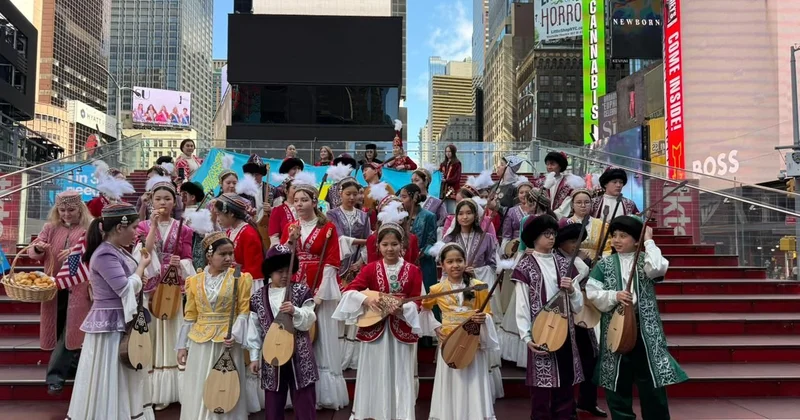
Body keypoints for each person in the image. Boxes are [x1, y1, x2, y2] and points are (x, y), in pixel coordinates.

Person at [586, 216, 687, 419]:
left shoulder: (645, 260)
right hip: (615, 329)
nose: (616, 240)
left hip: (645, 329)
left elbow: (658, 268)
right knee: (617, 381)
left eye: (623, 236)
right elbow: (591, 292)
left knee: (651, 380)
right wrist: (614, 295)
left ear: (635, 240)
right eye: (614, 236)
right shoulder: (604, 264)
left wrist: (649, 241)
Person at [65, 202, 154, 420]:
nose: (136, 233)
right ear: (120, 228)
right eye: (134, 227)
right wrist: (141, 268)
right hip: (110, 324)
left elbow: (127, 283)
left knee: (121, 372)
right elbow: (123, 288)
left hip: (118, 320)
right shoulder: (105, 254)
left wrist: (138, 276)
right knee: (111, 372)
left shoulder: (114, 251)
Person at [332, 209, 422, 420]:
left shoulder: (413, 271)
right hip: (375, 330)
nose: (390, 248)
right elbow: (349, 291)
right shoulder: (370, 269)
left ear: (402, 246)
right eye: (385, 244)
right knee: (375, 373)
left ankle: (399, 415)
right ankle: (371, 414)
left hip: (400, 330)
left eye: (394, 244)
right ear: (378, 246)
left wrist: (403, 309)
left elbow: (417, 301)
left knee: (399, 374)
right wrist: (367, 299)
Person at [280, 171, 349, 410]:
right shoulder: (291, 227)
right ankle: (298, 390)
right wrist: (290, 241)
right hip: (295, 283)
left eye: (304, 200)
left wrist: (319, 295)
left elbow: (332, 261)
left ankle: (322, 394)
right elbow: (281, 256)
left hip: (320, 283)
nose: (299, 204)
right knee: (297, 336)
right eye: (296, 200)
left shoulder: (328, 228)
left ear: (314, 201)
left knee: (319, 337)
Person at [512, 214, 588, 420]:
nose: (551, 238)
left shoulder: (565, 264)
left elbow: (578, 305)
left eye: (553, 233)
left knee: (565, 386)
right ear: (534, 238)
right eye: (546, 234)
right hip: (540, 333)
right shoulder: (524, 267)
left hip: (565, 332)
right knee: (541, 392)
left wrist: (572, 290)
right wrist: (526, 337)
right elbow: (522, 306)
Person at [176, 232, 252, 420]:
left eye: (231, 254)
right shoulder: (194, 281)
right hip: (200, 340)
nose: (228, 258)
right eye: (223, 254)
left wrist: (235, 334)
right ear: (209, 255)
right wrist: (181, 345)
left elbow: (244, 311)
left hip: (226, 340)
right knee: (200, 381)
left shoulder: (240, 278)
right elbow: (190, 314)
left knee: (225, 385)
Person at [421, 242, 498, 420]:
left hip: (472, 342)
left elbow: (488, 313)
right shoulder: (436, 289)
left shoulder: (479, 286)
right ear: (442, 264)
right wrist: (435, 327)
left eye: (459, 260)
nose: (455, 265)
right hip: (449, 342)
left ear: (465, 262)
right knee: (451, 381)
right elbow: (424, 310)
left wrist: (483, 319)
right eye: (450, 261)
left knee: (473, 380)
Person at [138, 175, 195, 411]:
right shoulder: (141, 226)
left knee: (173, 335)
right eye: (158, 198)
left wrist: (178, 263)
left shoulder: (185, 229)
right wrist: (152, 226)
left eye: (167, 198)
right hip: (151, 289)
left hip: (173, 288)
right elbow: (144, 253)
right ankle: (156, 392)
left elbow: (188, 258)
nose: (162, 202)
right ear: (151, 201)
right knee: (153, 337)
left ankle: (180, 390)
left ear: (175, 202)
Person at [440, 198, 504, 399]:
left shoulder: (486, 237)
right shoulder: (449, 238)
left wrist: (475, 272)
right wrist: (458, 272)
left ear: (475, 215)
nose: (465, 216)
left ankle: (481, 391)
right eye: (461, 213)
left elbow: (494, 263)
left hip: (479, 287)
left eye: (468, 213)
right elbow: (443, 268)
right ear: (456, 217)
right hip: (455, 292)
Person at [29, 191, 91, 395]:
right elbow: (33, 251)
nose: (66, 214)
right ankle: (72, 367)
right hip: (53, 287)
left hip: (77, 287)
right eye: (62, 210)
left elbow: (92, 253)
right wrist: (38, 248)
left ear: (80, 209)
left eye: (71, 210)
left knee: (70, 332)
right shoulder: (50, 228)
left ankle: (55, 377)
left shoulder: (88, 228)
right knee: (57, 329)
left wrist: (76, 252)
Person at [246, 245, 318, 420]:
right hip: (272, 355)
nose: (285, 275)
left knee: (304, 400)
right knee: (273, 402)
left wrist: (295, 311)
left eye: (288, 271)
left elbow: (310, 318)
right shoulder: (257, 297)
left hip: (299, 355)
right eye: (279, 271)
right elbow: (254, 329)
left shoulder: (301, 291)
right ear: (270, 272)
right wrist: (254, 357)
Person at [554, 219, 607, 418]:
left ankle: (588, 401)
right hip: (563, 315)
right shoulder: (555, 259)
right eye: (571, 241)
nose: (576, 245)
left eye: (579, 241)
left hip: (583, 312)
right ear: (561, 243)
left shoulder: (580, 259)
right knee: (567, 362)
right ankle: (566, 407)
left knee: (590, 358)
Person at [325, 168, 371, 371]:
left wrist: (360, 262)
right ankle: (336, 356)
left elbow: (369, 243)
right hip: (337, 267)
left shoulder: (364, 216)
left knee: (355, 311)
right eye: (348, 194)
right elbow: (338, 238)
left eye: (355, 194)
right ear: (340, 194)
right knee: (338, 310)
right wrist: (366, 241)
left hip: (357, 268)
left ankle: (352, 357)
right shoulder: (331, 214)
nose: (352, 197)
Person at [365, 196, 420, 264]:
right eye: (396, 210)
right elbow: (371, 266)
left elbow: (414, 264)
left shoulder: (412, 238)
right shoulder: (373, 239)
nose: (400, 213)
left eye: (402, 210)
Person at [536, 151, 586, 219]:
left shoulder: (568, 183)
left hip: (560, 220)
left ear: (560, 166)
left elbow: (565, 207)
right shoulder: (540, 182)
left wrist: (553, 215)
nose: (549, 167)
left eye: (552, 164)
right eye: (547, 164)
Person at [568, 189, 612, 261]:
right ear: (572, 205)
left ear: (591, 204)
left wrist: (601, 260)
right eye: (579, 202)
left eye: (587, 202)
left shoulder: (601, 224)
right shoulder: (567, 223)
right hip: (572, 264)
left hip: (597, 265)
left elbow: (607, 249)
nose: (583, 205)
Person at [412, 167, 447, 231]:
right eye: (412, 181)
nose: (413, 183)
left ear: (426, 182)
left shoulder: (437, 203)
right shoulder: (410, 202)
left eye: (416, 180)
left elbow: (443, 223)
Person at [362, 163, 394, 228]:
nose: (363, 173)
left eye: (365, 170)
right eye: (362, 171)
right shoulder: (363, 190)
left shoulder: (386, 187)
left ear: (375, 171)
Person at [269, 176, 297, 247]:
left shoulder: (305, 209)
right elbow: (274, 237)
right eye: (295, 187)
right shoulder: (278, 210)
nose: (298, 190)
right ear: (286, 191)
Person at [439, 144, 462, 214]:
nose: (448, 153)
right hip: (443, 190)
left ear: (453, 152)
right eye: (446, 151)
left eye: (449, 151)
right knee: (443, 209)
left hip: (453, 189)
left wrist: (446, 180)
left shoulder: (457, 163)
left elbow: (457, 177)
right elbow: (439, 174)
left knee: (452, 210)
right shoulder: (443, 164)